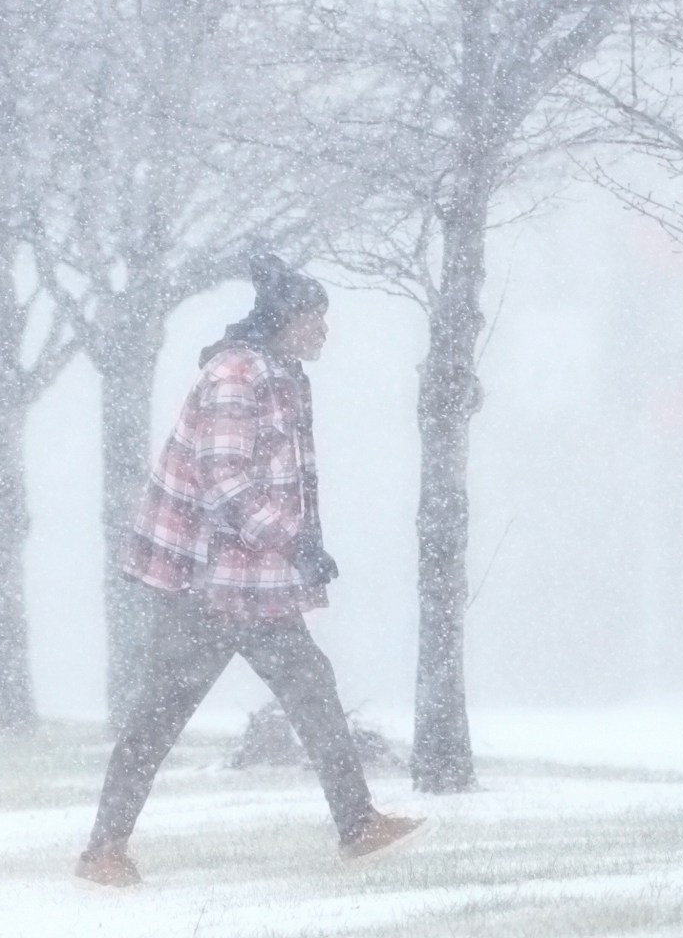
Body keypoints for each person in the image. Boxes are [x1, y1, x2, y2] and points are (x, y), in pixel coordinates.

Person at [76, 255, 424, 887]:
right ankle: (103, 852)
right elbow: (224, 480)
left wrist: (295, 548)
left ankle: (359, 826)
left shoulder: (281, 373)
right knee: (161, 713)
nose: (325, 331)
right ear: (286, 319)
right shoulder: (238, 375)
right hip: (202, 584)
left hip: (251, 582)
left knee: (312, 690)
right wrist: (295, 542)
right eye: (317, 317)